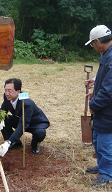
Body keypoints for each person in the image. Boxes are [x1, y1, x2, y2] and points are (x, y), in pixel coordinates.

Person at [84, 25, 112, 187]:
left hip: (107, 111)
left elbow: (108, 91)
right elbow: (106, 76)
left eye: (93, 44)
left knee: (105, 142)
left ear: (97, 41)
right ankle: (102, 167)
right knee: (97, 138)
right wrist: (95, 80)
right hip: (103, 110)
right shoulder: (106, 54)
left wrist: (93, 104)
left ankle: (107, 174)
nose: (93, 47)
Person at [0, 78, 50, 157]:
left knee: (40, 133)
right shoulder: (7, 97)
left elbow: (23, 125)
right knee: (4, 119)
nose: (7, 93)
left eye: (10, 90)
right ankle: (15, 143)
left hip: (34, 123)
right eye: (5, 90)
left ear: (18, 91)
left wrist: (8, 142)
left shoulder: (27, 103)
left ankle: (34, 144)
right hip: (20, 119)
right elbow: (4, 108)